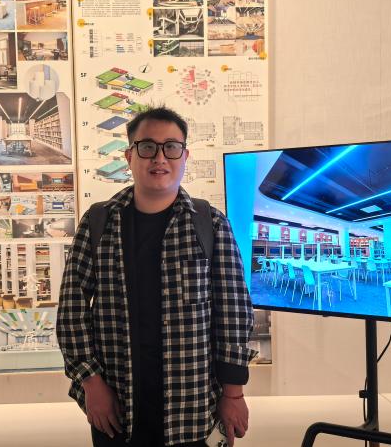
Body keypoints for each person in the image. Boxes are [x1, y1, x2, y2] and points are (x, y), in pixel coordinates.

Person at [58, 107, 257, 446]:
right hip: (116, 405)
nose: (160, 157)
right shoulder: (98, 223)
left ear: (185, 156)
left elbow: (233, 312)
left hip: (192, 408)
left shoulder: (209, 224)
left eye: (171, 147)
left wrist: (233, 394)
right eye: (147, 146)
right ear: (129, 156)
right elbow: (71, 311)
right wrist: (90, 383)